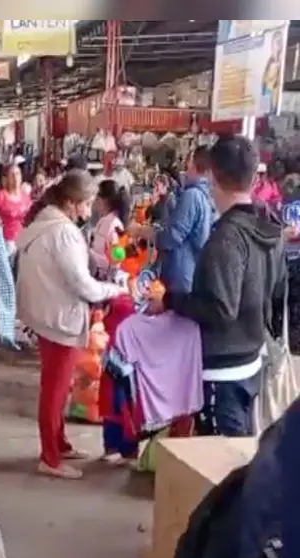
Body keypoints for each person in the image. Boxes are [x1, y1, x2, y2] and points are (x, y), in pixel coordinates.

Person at [149, 135, 285, 437]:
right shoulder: (270, 229)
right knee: (237, 451)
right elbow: (274, 289)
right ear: (253, 176)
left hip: (222, 367)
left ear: (212, 175)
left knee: (220, 460)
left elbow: (221, 309)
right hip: (252, 357)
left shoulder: (225, 239)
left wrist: (171, 301)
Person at [15, 171, 127, 479]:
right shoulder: (61, 231)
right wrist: (115, 290)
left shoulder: (45, 223)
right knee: (54, 390)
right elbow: (83, 285)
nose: (89, 210)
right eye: (87, 203)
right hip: (58, 318)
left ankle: (59, 443)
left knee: (58, 387)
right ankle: (50, 458)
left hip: (45, 313)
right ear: (70, 202)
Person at [133, 146, 214, 295]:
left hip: (180, 280)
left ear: (194, 165)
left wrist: (141, 231)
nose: (184, 170)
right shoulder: (208, 197)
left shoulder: (193, 196)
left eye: (187, 163)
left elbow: (170, 237)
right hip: (192, 276)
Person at [0, 162, 32, 255]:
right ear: (6, 179)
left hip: (23, 241)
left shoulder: (26, 197)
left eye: (18, 174)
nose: (16, 178)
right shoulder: (0, 196)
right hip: (6, 242)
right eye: (12, 175)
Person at [88, 179, 130, 277]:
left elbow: (116, 258)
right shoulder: (104, 220)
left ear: (104, 201)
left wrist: (89, 253)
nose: (94, 202)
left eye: (97, 199)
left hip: (106, 277)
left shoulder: (113, 224)